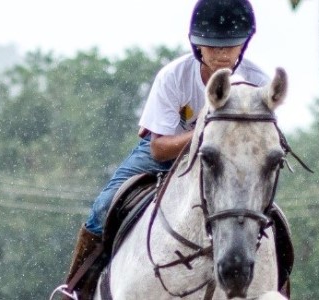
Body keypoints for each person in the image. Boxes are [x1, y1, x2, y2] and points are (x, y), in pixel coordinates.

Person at [63, 0, 269, 298]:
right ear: (198, 46)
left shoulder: (258, 82)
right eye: (214, 47)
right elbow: (159, 148)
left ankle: (278, 286)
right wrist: (206, 132)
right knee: (104, 205)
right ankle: (76, 288)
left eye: (231, 46)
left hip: (228, 164)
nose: (223, 54)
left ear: (245, 45)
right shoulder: (173, 76)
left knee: (273, 219)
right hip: (166, 153)